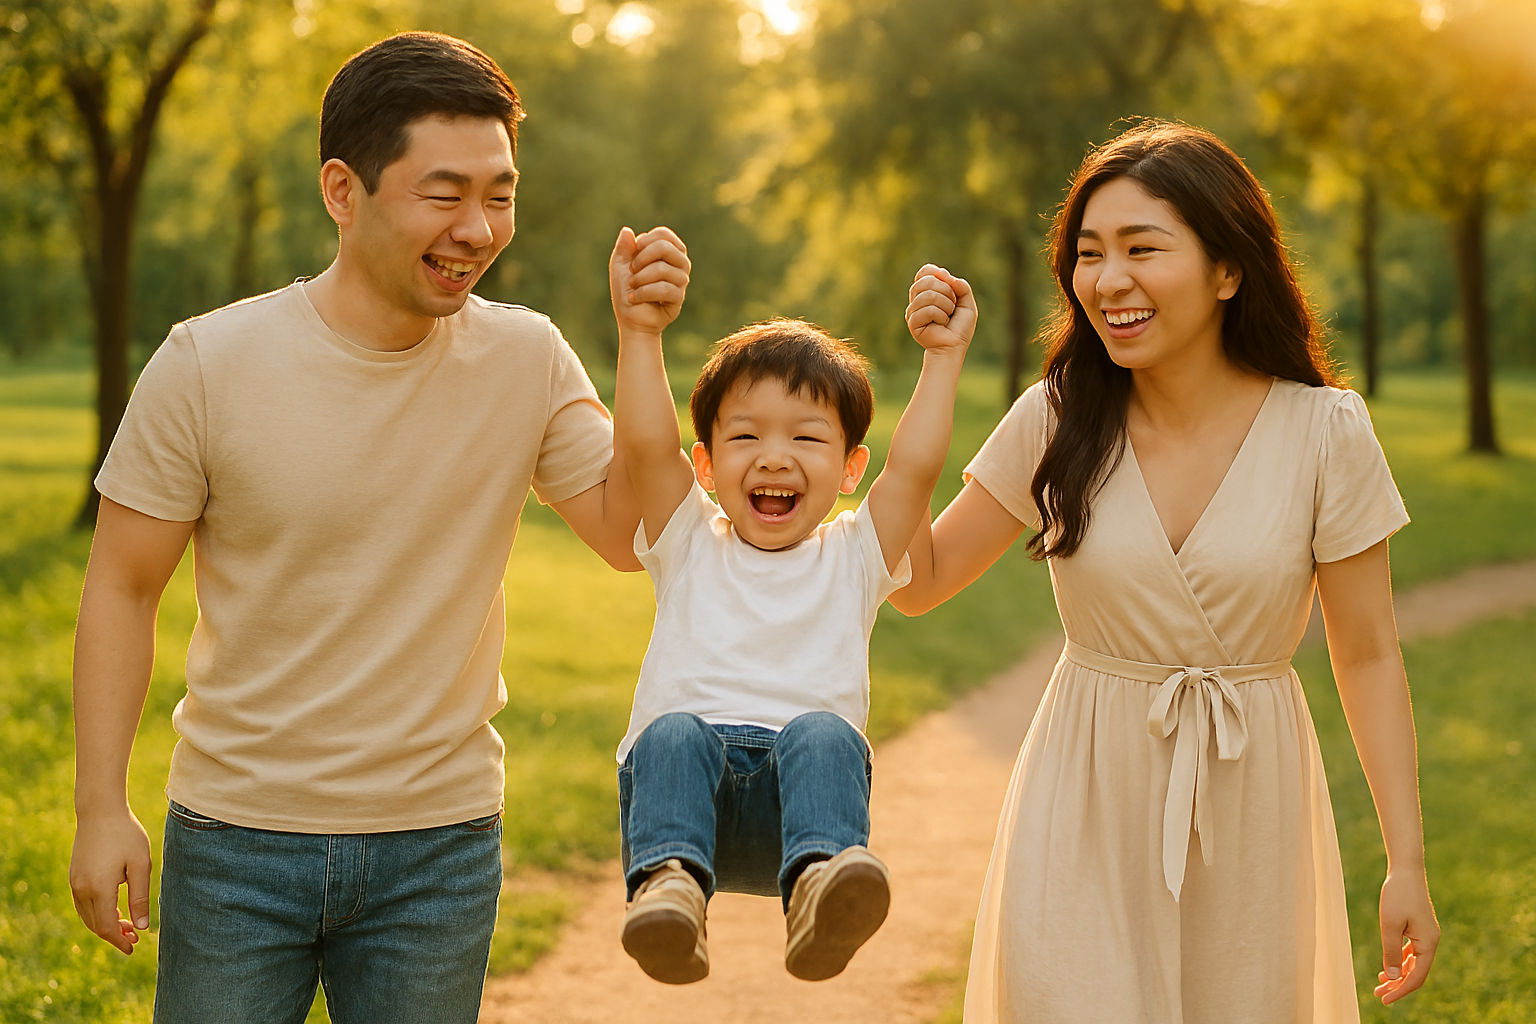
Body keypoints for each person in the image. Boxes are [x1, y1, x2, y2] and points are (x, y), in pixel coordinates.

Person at [66, 32, 688, 1024]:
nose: (479, 229)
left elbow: (631, 532)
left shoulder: (526, 358)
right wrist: (103, 805)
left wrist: (642, 342)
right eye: (444, 194)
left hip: (437, 846)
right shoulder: (208, 363)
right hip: (235, 835)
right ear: (342, 191)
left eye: (501, 192)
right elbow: (122, 584)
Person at [889, 121, 1439, 1023]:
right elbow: (919, 581)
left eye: (1143, 248)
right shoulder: (1055, 417)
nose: (1108, 281)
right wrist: (939, 372)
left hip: (1252, 800)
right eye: (1089, 253)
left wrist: (1405, 861)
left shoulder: (1325, 432)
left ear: (1228, 271)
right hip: (1082, 794)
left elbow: (1369, 654)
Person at [605, 230, 976, 984]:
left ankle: (818, 889)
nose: (774, 457)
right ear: (705, 463)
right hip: (686, 801)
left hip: (801, 806)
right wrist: (640, 331)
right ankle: (668, 889)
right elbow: (646, 446)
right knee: (672, 733)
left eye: (806, 437)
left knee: (824, 734)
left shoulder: (858, 555)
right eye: (745, 436)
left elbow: (916, 467)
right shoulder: (687, 540)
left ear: (848, 468)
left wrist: (943, 358)